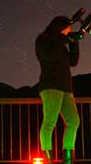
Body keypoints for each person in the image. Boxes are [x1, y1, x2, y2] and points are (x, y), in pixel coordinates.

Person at [35, 16, 80, 164]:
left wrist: (74, 42)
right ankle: (47, 158)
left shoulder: (61, 44)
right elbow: (50, 56)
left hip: (66, 88)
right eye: (67, 29)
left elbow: (73, 62)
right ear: (59, 27)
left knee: (73, 121)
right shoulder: (44, 40)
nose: (68, 32)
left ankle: (67, 158)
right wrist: (63, 40)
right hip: (50, 86)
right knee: (50, 122)